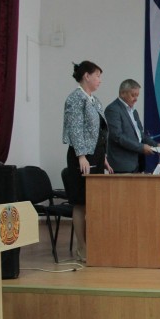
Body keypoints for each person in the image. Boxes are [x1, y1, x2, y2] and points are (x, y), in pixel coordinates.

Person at [62, 61, 114, 262]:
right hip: (82, 156)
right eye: (97, 75)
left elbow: (99, 132)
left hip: (97, 155)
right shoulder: (75, 98)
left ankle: (94, 244)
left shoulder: (94, 100)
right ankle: (81, 248)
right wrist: (81, 155)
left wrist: (104, 157)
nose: (100, 80)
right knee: (81, 202)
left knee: (94, 202)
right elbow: (75, 128)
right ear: (86, 76)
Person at [105, 79, 160, 173]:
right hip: (122, 165)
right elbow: (117, 136)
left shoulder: (133, 111)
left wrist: (155, 145)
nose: (136, 99)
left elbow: (140, 135)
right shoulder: (113, 109)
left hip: (137, 163)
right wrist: (141, 147)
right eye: (133, 95)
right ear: (122, 93)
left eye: (137, 95)